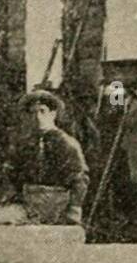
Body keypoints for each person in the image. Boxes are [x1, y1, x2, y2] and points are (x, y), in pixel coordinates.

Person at [14, 89, 89, 225]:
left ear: (53, 114)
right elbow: (12, 173)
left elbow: (79, 178)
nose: (37, 117)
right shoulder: (25, 143)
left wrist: (74, 208)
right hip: (29, 202)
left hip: (58, 203)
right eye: (32, 112)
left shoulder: (66, 142)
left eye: (42, 111)